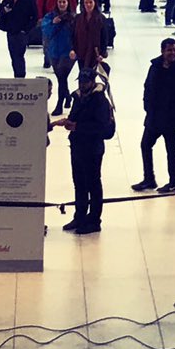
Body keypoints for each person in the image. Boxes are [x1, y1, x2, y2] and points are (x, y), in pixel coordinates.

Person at [54, 66, 115, 234]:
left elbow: (101, 127)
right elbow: (75, 116)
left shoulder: (100, 100)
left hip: (93, 148)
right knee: (79, 183)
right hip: (77, 145)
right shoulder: (78, 97)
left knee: (93, 184)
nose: (82, 84)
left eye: (86, 81)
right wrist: (68, 122)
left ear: (92, 81)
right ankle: (80, 216)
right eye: (81, 81)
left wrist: (77, 126)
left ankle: (94, 220)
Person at [132, 36, 175, 192]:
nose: (172, 53)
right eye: (169, 50)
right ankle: (149, 179)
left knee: (172, 149)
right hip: (154, 116)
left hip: (172, 118)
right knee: (145, 145)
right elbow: (148, 86)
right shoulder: (155, 66)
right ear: (162, 51)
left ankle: (174, 182)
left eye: (174, 50)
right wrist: (147, 106)